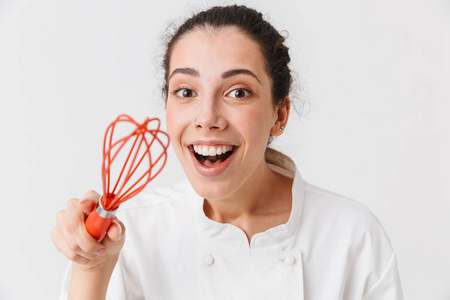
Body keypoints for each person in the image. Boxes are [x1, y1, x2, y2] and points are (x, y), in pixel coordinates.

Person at [52, 5, 403, 300]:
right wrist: (91, 268)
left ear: (279, 115)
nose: (207, 118)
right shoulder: (131, 232)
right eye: (186, 92)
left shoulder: (351, 236)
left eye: (238, 92)